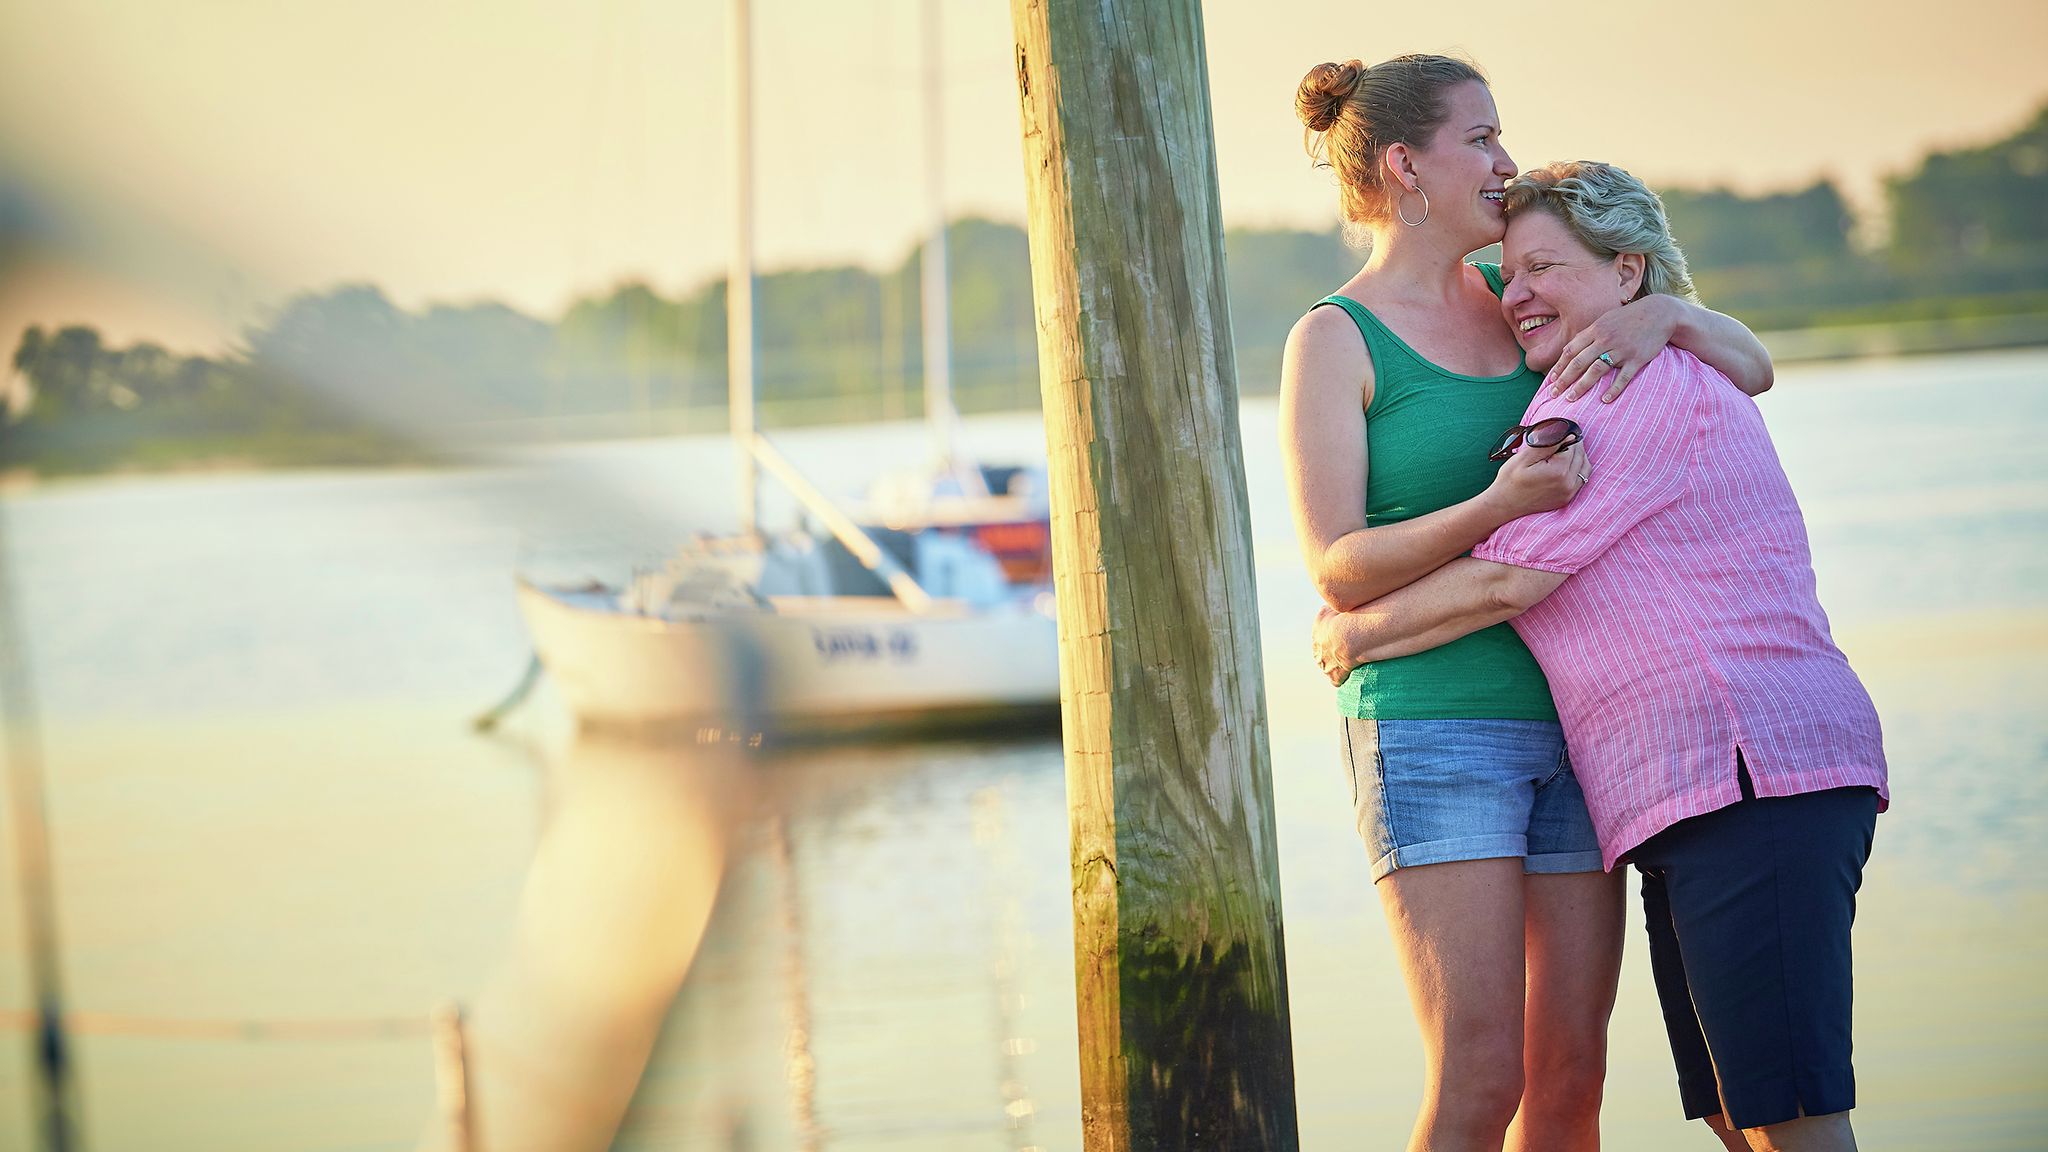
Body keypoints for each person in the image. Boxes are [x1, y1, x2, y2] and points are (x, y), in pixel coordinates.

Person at [1311, 160, 1889, 1152]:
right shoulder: (1631, 362)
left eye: (1542, 268)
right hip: (1688, 794)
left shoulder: (1631, 394)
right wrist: (1664, 312)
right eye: (1508, 271)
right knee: (1732, 1106)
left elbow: (1507, 577)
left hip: (1753, 772)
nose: (1516, 292)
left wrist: (1350, 632)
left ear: (1626, 274)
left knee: (1790, 1117)